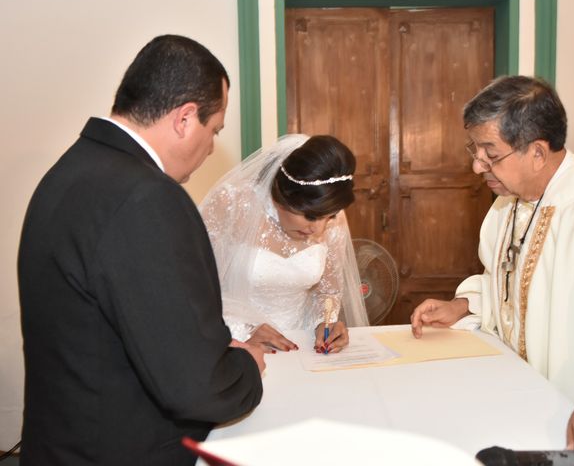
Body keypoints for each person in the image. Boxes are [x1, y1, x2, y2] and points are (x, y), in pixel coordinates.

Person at [17, 35, 264, 466]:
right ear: (186, 118)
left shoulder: (68, 171)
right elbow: (196, 388)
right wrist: (247, 366)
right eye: (215, 130)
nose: (210, 147)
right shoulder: (147, 198)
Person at [410, 76, 574, 465]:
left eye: (490, 153)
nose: (476, 164)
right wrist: (464, 304)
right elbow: (510, 281)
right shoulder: (510, 202)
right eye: (474, 149)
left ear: (537, 152)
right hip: (521, 394)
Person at [199, 134, 369, 354]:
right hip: (236, 343)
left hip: (302, 347)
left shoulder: (327, 211)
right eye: (309, 216)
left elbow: (328, 291)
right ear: (282, 195)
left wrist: (324, 322)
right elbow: (196, 287)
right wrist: (243, 329)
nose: (318, 229)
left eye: (330, 217)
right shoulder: (232, 203)